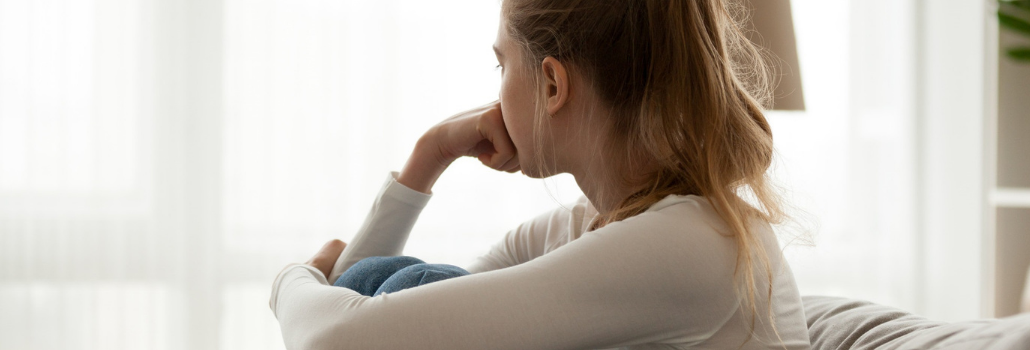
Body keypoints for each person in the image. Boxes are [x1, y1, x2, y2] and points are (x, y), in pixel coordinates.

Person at [269, 0, 811, 349]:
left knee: (413, 283)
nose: (497, 90)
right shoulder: (579, 229)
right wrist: (429, 155)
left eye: (501, 65)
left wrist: (291, 279)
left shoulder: (692, 243)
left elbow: (335, 339)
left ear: (553, 86)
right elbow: (391, 312)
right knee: (407, 285)